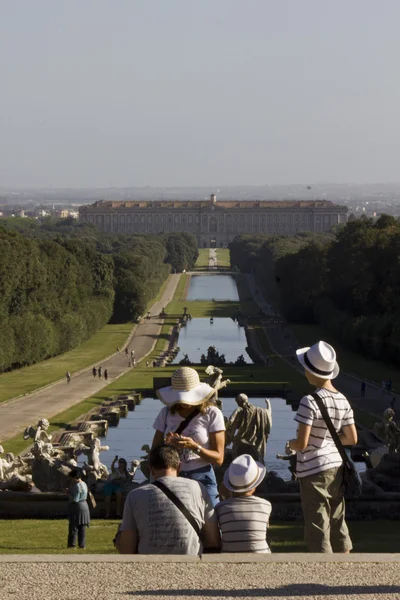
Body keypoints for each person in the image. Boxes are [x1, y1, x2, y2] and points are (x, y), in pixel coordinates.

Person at [288, 341, 358, 553]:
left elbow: (302, 443)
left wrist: (289, 444)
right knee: (337, 518)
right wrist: (328, 440)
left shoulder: (309, 401)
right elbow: (352, 438)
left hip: (314, 470)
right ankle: (344, 563)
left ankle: (322, 569)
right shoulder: (342, 399)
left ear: (311, 372)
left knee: (317, 523)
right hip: (337, 466)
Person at [116, 444, 220, 555]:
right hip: (190, 563)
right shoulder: (198, 488)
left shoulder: (135, 495)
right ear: (179, 467)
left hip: (148, 566)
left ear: (150, 469)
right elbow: (213, 540)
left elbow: (127, 549)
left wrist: (118, 536)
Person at [152, 366, 225, 505]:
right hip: (172, 476)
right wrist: (168, 446)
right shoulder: (166, 413)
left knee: (211, 520)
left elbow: (219, 459)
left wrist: (194, 447)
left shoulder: (212, 414)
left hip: (202, 475)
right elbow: (154, 451)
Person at [215, 454, 271, 553]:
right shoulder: (265, 505)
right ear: (255, 485)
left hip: (229, 557)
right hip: (261, 558)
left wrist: (226, 497)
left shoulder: (220, 508)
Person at [67, 469, 90, 549]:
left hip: (77, 507)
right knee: (82, 528)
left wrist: (68, 493)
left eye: (71, 478)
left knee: (74, 526)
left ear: (75, 477)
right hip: (85, 506)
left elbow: (75, 499)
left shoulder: (77, 486)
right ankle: (82, 545)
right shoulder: (84, 484)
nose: (71, 480)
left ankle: (72, 545)